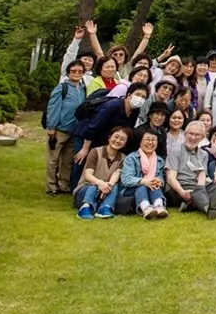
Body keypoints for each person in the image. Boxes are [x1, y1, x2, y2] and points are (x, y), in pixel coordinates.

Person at [72, 82, 150, 191]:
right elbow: (94, 126)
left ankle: (99, 188)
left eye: (143, 97)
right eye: (138, 94)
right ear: (129, 95)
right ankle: (76, 190)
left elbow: (127, 130)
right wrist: (85, 148)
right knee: (81, 161)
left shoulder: (135, 111)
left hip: (108, 140)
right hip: (88, 136)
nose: (140, 98)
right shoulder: (112, 106)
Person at [166, 120, 216, 218]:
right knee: (196, 192)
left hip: (197, 188)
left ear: (202, 137)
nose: (193, 137)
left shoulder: (204, 154)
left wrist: (199, 189)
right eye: (191, 133)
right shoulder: (176, 150)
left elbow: (202, 176)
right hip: (179, 188)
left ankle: (190, 204)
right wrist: (182, 193)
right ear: (185, 134)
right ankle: (207, 208)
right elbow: (170, 178)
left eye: (197, 135)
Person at [45, 60, 87, 196]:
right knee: (53, 159)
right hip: (60, 130)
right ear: (68, 72)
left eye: (80, 71)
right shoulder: (61, 88)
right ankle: (51, 186)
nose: (77, 73)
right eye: (73, 71)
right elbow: (53, 108)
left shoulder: (83, 89)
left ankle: (64, 185)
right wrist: (51, 127)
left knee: (68, 161)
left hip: (74, 130)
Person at [73, 124, 129, 220]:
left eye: (122, 139)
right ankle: (85, 208)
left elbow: (117, 174)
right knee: (93, 186)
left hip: (105, 193)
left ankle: (105, 208)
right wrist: (100, 183)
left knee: (115, 185)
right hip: (85, 191)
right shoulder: (95, 152)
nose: (118, 141)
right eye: (116, 137)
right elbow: (88, 175)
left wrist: (108, 185)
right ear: (109, 138)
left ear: (125, 143)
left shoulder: (123, 158)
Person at [121, 129, 167, 218]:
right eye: (147, 139)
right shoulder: (131, 158)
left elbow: (161, 177)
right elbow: (126, 179)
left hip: (152, 190)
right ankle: (146, 208)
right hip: (130, 191)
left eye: (153, 140)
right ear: (140, 142)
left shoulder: (160, 160)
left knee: (155, 185)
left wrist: (159, 181)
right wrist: (145, 181)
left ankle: (159, 206)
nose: (150, 142)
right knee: (143, 186)